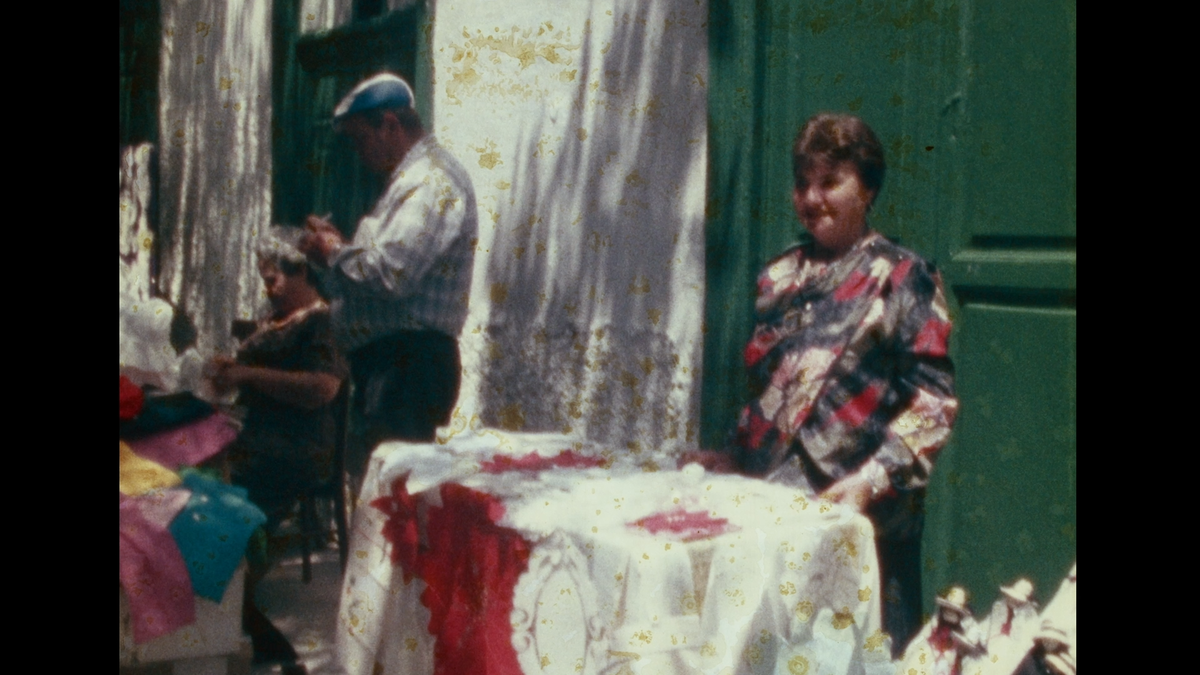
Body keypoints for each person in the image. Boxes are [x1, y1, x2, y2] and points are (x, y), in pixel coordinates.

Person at [682, 113, 958, 653]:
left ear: (868, 187)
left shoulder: (904, 277)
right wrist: (739, 457)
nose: (812, 197)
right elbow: (773, 391)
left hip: (864, 516)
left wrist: (872, 481)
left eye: (830, 181)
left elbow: (934, 404)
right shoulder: (779, 278)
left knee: (865, 656)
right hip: (779, 509)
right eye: (803, 183)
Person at [300, 72, 478, 481]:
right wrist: (337, 253)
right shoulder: (408, 182)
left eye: (361, 139)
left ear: (391, 125)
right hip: (391, 368)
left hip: (406, 369)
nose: (359, 153)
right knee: (380, 500)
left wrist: (333, 253)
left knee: (391, 504)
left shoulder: (431, 180)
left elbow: (392, 274)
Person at [208, 226, 350, 674]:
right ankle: (226, 607)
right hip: (258, 438)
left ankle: (235, 613)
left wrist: (247, 377)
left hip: (296, 446)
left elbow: (322, 389)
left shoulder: (323, 321)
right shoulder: (277, 320)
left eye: (272, 280)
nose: (267, 290)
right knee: (193, 475)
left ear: (302, 271)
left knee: (215, 494)